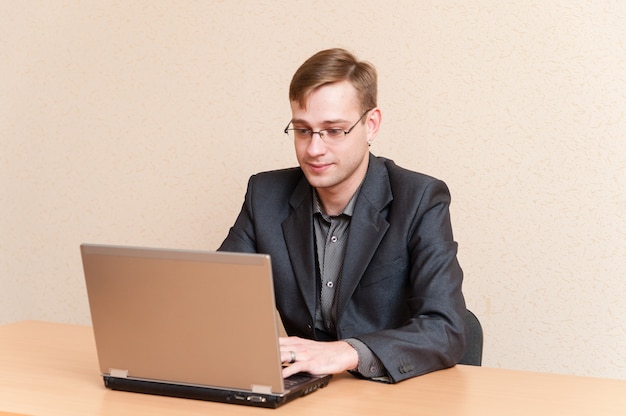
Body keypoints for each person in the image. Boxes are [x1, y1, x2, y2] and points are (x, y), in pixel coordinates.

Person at [219, 48, 466, 383]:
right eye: (303, 130)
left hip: (391, 395)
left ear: (371, 125)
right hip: (304, 392)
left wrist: (345, 352)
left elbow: (445, 329)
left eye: (333, 130)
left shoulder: (420, 199)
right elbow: (217, 301)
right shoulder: (265, 195)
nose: (314, 149)